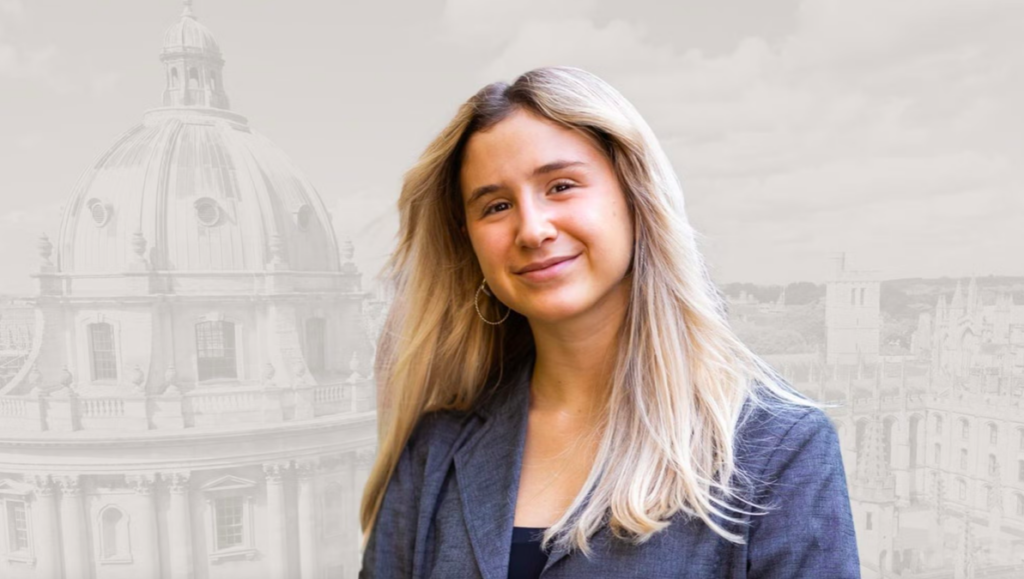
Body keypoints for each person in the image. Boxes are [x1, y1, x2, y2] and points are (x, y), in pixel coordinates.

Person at [358, 66, 860, 578]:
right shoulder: (435, 449)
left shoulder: (777, 450)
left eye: (561, 185)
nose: (532, 229)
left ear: (635, 198)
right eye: (497, 205)